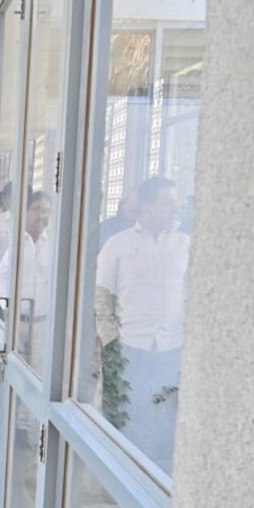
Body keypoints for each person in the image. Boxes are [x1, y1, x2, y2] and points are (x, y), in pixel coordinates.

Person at [96, 176, 189, 469]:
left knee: (164, 422)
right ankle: (125, 478)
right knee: (130, 419)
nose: (174, 209)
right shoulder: (118, 244)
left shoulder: (185, 245)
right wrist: (111, 342)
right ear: (147, 207)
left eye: (175, 203)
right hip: (129, 348)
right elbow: (102, 297)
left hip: (171, 349)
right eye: (167, 203)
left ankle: (156, 482)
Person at [0, 190, 52, 366]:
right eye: (37, 209)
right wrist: (7, 307)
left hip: (42, 325)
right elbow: (0, 279)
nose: (42, 215)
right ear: (26, 213)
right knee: (15, 368)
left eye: (46, 211)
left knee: (37, 372)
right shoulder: (18, 243)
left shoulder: (52, 244)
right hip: (18, 323)